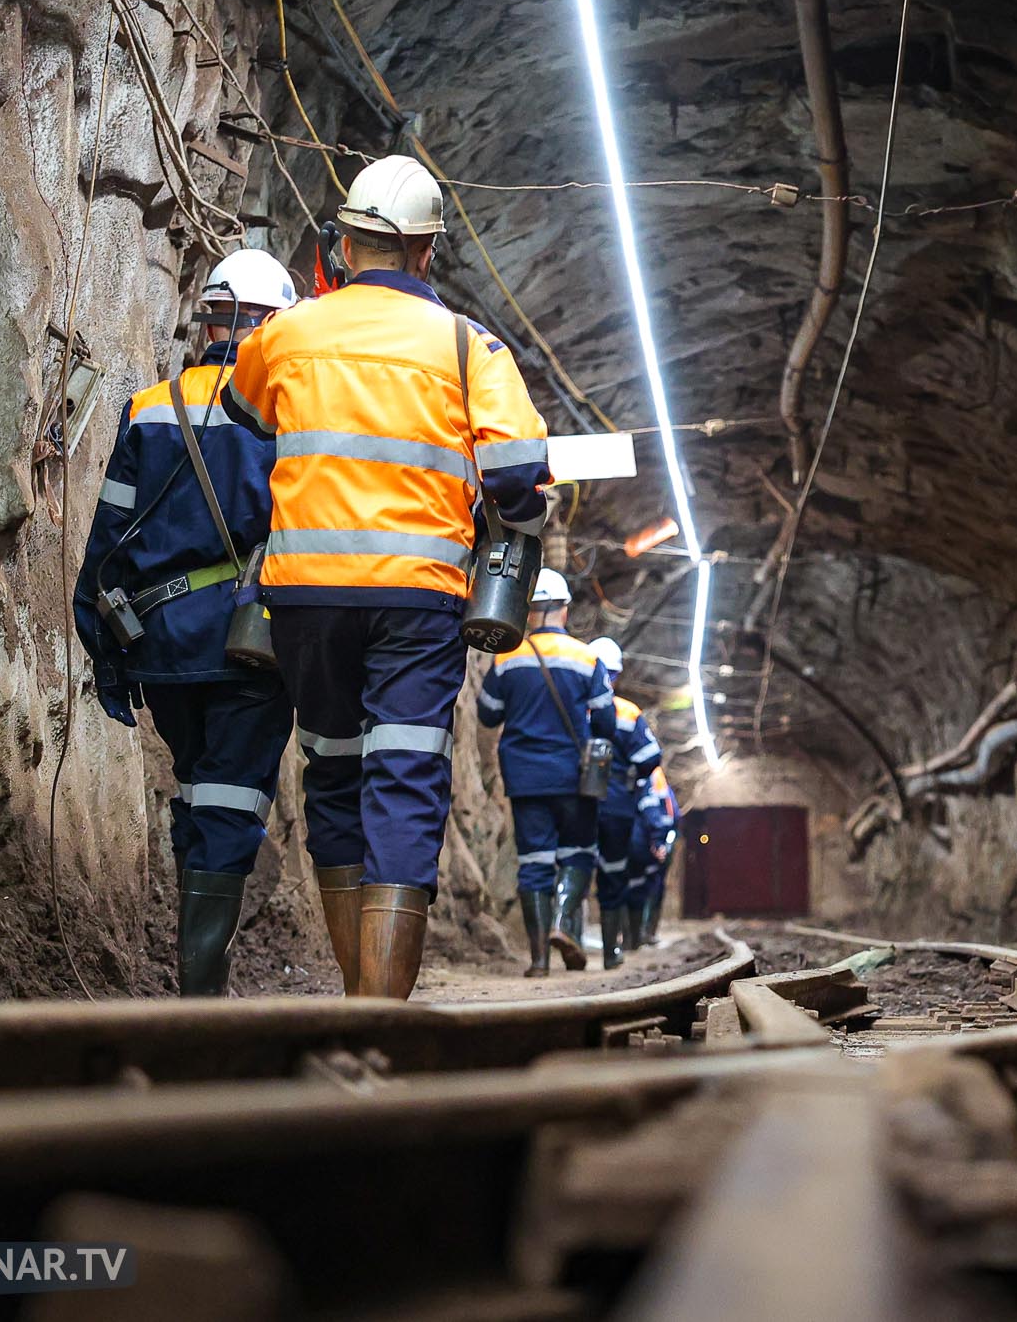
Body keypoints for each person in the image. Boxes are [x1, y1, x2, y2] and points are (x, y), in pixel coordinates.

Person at [221, 155, 553, 999]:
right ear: (426, 252)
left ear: (344, 245)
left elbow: (244, 407)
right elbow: (520, 478)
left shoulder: (289, 332)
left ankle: (354, 999)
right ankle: (383, 1009)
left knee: (333, 769)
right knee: (405, 773)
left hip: (305, 594)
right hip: (417, 596)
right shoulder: (469, 346)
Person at [73, 249, 298, 996]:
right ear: (275, 326)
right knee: (230, 800)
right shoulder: (287, 415)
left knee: (199, 786)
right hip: (251, 641)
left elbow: (108, 541)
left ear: (208, 322)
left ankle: (196, 979)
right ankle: (202, 994)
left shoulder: (148, 406)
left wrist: (104, 650)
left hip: (162, 645)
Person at [478, 570, 617, 974]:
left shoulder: (507, 657)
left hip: (524, 777)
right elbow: (606, 722)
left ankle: (539, 961)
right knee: (579, 854)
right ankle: (561, 921)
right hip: (574, 775)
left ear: (527, 608)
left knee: (534, 862)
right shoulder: (586, 658)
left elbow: (488, 713)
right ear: (564, 609)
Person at [586, 637, 662, 969]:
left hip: (576, 796)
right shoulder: (627, 711)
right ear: (616, 675)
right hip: (616, 799)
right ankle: (610, 951)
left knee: (573, 862)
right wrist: (631, 775)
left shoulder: (576, 706)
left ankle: (563, 936)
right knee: (614, 871)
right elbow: (650, 757)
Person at [633, 766, 680, 947]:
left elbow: (672, 817)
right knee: (645, 887)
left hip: (657, 844)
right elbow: (654, 813)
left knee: (653, 888)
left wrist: (663, 842)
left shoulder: (657, 781)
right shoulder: (651, 780)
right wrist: (658, 842)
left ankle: (645, 933)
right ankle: (638, 934)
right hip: (649, 846)